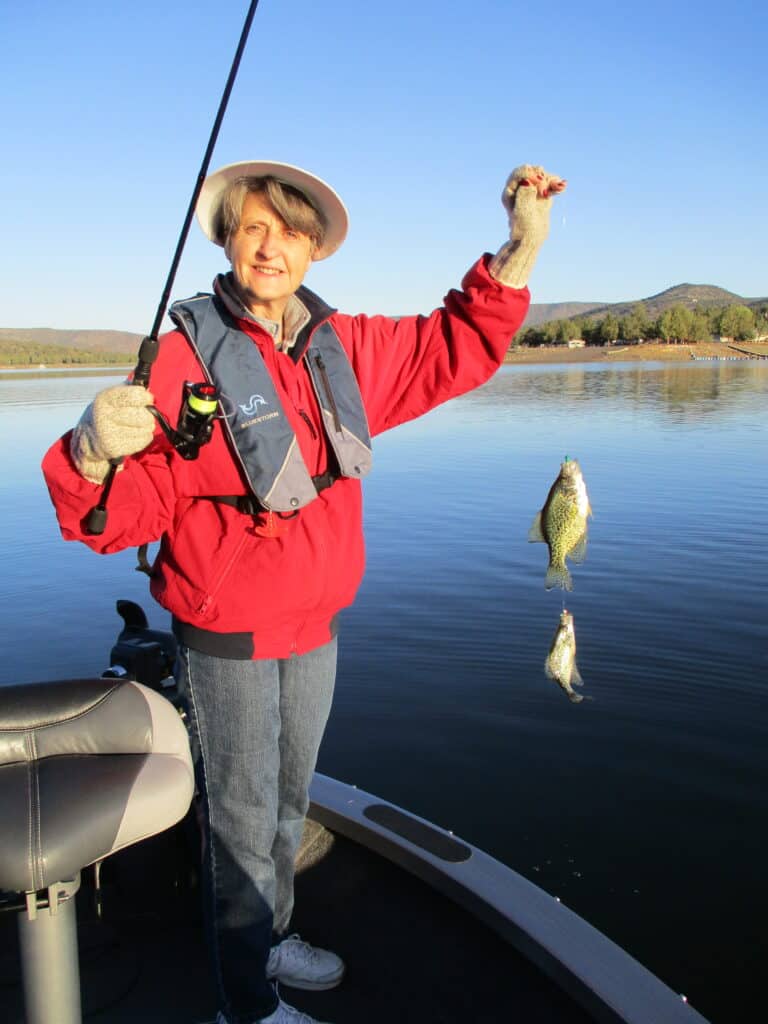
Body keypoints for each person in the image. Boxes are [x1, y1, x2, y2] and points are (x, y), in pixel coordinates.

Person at [42, 159, 565, 1024]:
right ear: (228, 240)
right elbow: (117, 516)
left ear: (314, 249)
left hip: (315, 628)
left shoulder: (345, 348)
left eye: (289, 231)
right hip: (228, 636)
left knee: (288, 806)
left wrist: (520, 247)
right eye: (253, 227)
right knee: (241, 825)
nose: (270, 246)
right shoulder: (181, 361)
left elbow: (453, 347)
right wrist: (91, 449)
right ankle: (244, 1005)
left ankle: (270, 938)